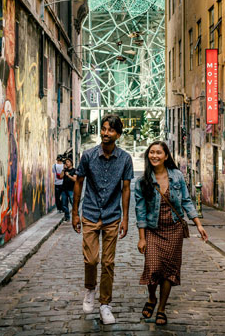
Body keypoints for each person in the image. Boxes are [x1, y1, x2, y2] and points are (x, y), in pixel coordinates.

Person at [134, 141, 208, 326]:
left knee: (169, 271)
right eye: (152, 152)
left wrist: (198, 224)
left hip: (174, 229)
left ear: (166, 156)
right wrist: (142, 238)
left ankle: (161, 308)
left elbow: (186, 200)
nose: (155, 156)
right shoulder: (142, 181)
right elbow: (140, 210)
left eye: (159, 152)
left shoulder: (176, 176)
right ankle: (152, 298)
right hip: (152, 230)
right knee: (153, 268)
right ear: (147, 155)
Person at [72, 114, 133, 325]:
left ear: (118, 134)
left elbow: (126, 189)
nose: (106, 133)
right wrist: (74, 213)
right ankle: (90, 289)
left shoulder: (125, 159)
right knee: (91, 259)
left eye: (111, 130)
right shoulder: (88, 156)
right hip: (89, 213)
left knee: (108, 262)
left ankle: (105, 304)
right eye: (104, 129)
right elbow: (78, 182)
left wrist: (125, 218)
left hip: (112, 216)